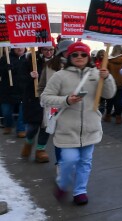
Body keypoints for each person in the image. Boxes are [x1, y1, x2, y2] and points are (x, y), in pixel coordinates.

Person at [41, 41, 116, 206]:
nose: (79, 57)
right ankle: (62, 184)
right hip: (67, 129)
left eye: (83, 54)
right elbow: (45, 97)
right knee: (68, 160)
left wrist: (108, 78)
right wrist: (67, 100)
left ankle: (80, 191)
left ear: (88, 56)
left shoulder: (97, 74)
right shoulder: (60, 75)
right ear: (69, 56)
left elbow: (109, 95)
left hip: (91, 127)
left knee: (85, 161)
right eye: (75, 54)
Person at [40, 39, 73, 167]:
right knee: (59, 137)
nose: (71, 54)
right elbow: (42, 86)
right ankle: (60, 163)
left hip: (72, 107)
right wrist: (43, 100)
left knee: (70, 137)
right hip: (55, 107)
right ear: (61, 52)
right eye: (68, 51)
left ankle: (68, 162)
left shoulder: (78, 66)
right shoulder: (50, 66)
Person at [20, 46, 55, 163]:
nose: (48, 52)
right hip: (33, 99)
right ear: (41, 50)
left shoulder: (57, 63)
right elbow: (20, 79)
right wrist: (30, 77)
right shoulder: (30, 60)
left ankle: (40, 150)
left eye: (51, 49)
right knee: (32, 127)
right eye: (46, 49)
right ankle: (29, 142)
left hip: (49, 99)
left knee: (46, 127)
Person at [104, 45, 122, 124]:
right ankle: (119, 117)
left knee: (109, 100)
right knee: (119, 100)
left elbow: (106, 71)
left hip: (111, 82)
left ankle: (107, 116)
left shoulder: (109, 60)